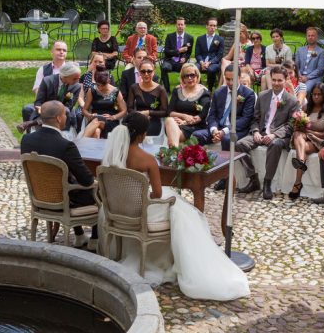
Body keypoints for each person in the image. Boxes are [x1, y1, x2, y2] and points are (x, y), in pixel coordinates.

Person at [100, 113, 249, 300]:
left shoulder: (113, 154)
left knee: (180, 209)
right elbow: (157, 194)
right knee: (183, 211)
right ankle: (185, 260)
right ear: (140, 136)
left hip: (117, 208)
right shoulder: (147, 160)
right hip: (142, 210)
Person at [19, 100, 96, 247]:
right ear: (59, 118)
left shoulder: (26, 140)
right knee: (101, 190)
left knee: (67, 182)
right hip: (65, 200)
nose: (67, 118)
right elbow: (87, 181)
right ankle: (95, 240)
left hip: (40, 196)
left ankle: (79, 235)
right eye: (65, 115)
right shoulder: (65, 145)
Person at [235, 65, 299, 200]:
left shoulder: (292, 100)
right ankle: (253, 178)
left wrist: (274, 135)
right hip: (262, 132)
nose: (276, 83)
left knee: (275, 144)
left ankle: (267, 183)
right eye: (274, 80)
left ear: (286, 80)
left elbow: (291, 125)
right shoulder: (263, 96)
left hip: (279, 136)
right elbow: (255, 119)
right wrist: (256, 131)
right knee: (239, 144)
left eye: (279, 80)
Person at [289, 82, 324, 200]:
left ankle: (297, 184)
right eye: (314, 94)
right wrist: (298, 124)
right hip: (304, 140)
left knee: (299, 137)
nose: (316, 97)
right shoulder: (306, 108)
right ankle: (299, 173)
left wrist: (308, 131)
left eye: (319, 94)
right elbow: (297, 126)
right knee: (297, 134)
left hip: (319, 140)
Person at [194, 66, 256, 148]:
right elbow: (212, 115)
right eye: (227, 79)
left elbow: (245, 119)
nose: (230, 82)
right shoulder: (218, 92)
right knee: (196, 135)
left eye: (233, 79)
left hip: (237, 129)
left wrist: (224, 131)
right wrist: (214, 130)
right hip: (218, 127)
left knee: (226, 139)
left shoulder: (248, 94)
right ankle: (202, 159)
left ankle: (227, 161)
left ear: (239, 77)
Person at [22, 62, 83, 134]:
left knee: (66, 110)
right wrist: (40, 108)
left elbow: (69, 105)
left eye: (78, 78)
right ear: (65, 76)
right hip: (45, 108)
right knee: (27, 108)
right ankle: (30, 135)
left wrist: (55, 111)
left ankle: (35, 123)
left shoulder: (76, 86)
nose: (77, 81)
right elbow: (38, 101)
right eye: (75, 79)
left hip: (63, 110)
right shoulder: (47, 81)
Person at [163, 62, 212, 147]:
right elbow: (169, 112)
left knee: (172, 131)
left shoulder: (204, 93)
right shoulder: (177, 91)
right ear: (183, 78)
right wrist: (184, 116)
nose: (189, 78)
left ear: (197, 76)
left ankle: (173, 154)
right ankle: (175, 153)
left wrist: (185, 122)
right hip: (176, 124)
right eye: (186, 76)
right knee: (169, 120)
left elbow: (201, 116)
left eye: (192, 75)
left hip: (194, 127)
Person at [22, 40, 68, 122]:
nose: (61, 52)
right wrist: (40, 105)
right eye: (58, 49)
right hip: (43, 103)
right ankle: (30, 132)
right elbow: (37, 89)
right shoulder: (43, 69)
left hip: (62, 105)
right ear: (52, 52)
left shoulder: (70, 70)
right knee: (27, 109)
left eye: (64, 50)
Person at [126, 58, 169, 136]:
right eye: (143, 71)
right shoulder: (134, 87)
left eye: (149, 71)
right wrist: (139, 114)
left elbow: (165, 112)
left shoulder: (160, 89)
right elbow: (129, 108)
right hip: (137, 118)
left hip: (153, 119)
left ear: (154, 72)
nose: (146, 74)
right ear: (139, 73)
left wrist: (148, 112)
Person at [81, 68, 126, 138]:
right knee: (96, 131)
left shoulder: (115, 91)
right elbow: (84, 110)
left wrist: (114, 117)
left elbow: (124, 110)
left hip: (110, 121)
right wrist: (90, 115)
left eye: (103, 85)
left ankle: (82, 141)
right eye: (98, 85)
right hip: (95, 118)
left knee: (97, 122)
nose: (100, 87)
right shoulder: (92, 90)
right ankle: (91, 147)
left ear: (108, 81)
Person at [161, 17, 193, 88]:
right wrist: (179, 51)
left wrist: (185, 58)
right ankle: (166, 90)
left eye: (182, 24)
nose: (180, 26)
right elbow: (166, 51)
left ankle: (185, 87)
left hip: (181, 62)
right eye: (178, 24)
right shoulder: (169, 36)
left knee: (187, 69)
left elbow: (189, 52)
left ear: (185, 26)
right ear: (175, 25)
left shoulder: (190, 38)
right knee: (164, 68)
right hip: (170, 60)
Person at [195, 17, 225, 90]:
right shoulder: (200, 39)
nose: (212, 27)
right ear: (206, 26)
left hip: (214, 62)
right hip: (201, 61)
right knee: (194, 68)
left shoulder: (220, 39)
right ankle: (199, 87)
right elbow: (197, 54)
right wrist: (202, 62)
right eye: (211, 25)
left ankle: (210, 89)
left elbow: (219, 55)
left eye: (214, 26)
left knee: (211, 70)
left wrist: (209, 62)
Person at [294, 26, 324, 92]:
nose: (310, 37)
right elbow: (296, 66)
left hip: (313, 78)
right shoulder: (300, 50)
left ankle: (303, 102)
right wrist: (299, 76)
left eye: (312, 35)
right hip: (300, 76)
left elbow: (320, 69)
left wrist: (307, 77)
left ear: (316, 37)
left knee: (305, 89)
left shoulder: (321, 51)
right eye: (308, 35)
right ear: (306, 37)